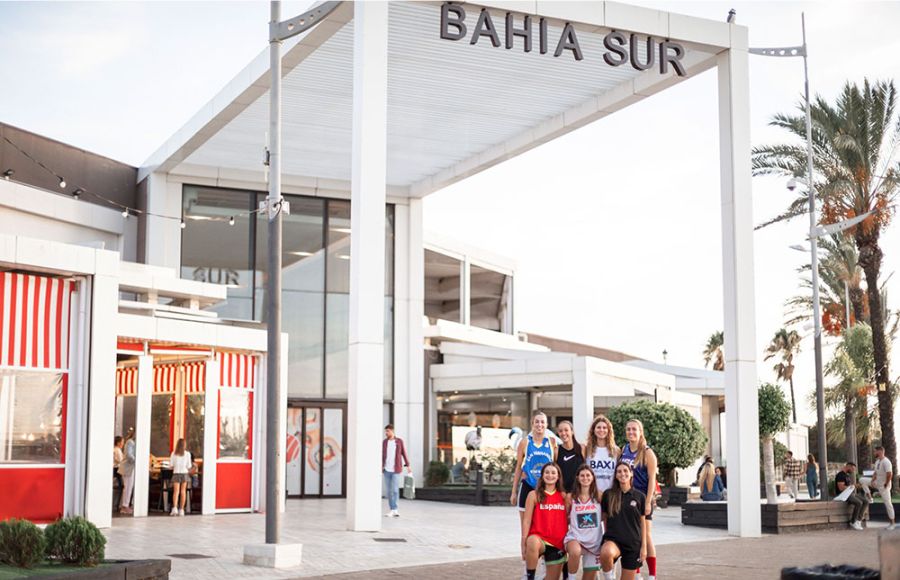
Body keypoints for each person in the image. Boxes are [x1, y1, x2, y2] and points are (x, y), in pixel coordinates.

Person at [619, 419, 658, 580]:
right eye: (628, 429)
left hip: (642, 499)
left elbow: (652, 479)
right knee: (632, 536)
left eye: (634, 429)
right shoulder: (624, 449)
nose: (631, 432)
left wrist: (648, 501)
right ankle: (636, 572)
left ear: (641, 431)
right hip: (627, 499)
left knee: (646, 536)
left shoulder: (647, 452)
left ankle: (652, 575)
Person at [511, 411, 558, 532]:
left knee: (544, 525)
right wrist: (513, 492)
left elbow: (556, 468)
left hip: (546, 489)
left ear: (546, 425)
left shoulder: (552, 443)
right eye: (537, 421)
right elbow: (518, 468)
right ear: (532, 424)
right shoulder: (525, 442)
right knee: (525, 527)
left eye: (542, 422)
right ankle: (524, 550)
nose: (539, 424)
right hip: (528, 486)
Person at [522, 462, 569, 580]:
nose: (550, 475)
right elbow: (526, 521)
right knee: (532, 541)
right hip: (539, 539)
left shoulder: (564, 497)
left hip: (557, 543)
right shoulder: (533, 495)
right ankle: (530, 577)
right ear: (542, 475)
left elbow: (570, 519)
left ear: (558, 476)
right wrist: (523, 541)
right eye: (547, 472)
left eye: (553, 473)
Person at [600, 462, 646, 580]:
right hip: (614, 541)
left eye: (625, 471)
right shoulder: (608, 495)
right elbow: (604, 518)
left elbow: (643, 523)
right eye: (619, 471)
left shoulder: (640, 496)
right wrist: (607, 537)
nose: (622, 473)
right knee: (606, 552)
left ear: (631, 474)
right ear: (615, 476)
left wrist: (643, 547)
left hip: (633, 544)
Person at [564, 465, 603, 580]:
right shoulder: (570, 497)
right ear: (577, 478)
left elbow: (604, 517)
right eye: (582, 475)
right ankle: (570, 578)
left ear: (592, 478)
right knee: (575, 551)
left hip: (594, 542)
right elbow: (565, 518)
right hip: (575, 538)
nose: (585, 478)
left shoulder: (599, 496)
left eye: (588, 475)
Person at [584, 415, 619, 494]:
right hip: (592, 493)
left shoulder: (616, 450)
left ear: (609, 430)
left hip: (611, 493)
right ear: (593, 430)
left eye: (604, 428)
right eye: (598, 427)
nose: (601, 430)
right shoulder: (587, 449)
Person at [382, 424, 411, 518]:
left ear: (392, 431)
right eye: (385, 431)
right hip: (386, 470)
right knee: (389, 491)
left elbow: (404, 453)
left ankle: (395, 509)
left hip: (396, 469)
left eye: (387, 431)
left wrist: (408, 465)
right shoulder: (384, 442)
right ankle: (392, 509)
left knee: (394, 490)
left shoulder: (399, 441)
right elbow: (382, 455)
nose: (386, 433)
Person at [867, 445, 896, 530]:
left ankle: (892, 523)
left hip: (884, 485)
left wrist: (886, 484)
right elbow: (875, 473)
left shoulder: (886, 462)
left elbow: (889, 474)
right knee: (862, 481)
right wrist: (872, 481)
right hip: (877, 483)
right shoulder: (877, 461)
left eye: (875, 451)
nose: (874, 453)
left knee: (888, 504)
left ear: (880, 451)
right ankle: (870, 497)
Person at [555, 420, 584, 494]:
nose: (563, 433)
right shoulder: (556, 450)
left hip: (579, 492)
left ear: (572, 432)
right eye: (560, 431)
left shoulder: (582, 448)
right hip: (563, 492)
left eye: (566, 430)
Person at [836, 462, 867, 530]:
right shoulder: (840, 475)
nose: (853, 471)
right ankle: (853, 522)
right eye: (852, 469)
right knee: (859, 502)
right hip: (843, 495)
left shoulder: (847, 475)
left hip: (849, 494)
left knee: (866, 501)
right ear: (848, 466)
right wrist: (852, 486)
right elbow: (841, 488)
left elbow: (849, 486)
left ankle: (858, 520)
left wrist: (856, 486)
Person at [169, 438, 193, 516]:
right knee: (183, 492)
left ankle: (174, 509)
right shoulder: (187, 454)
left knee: (176, 492)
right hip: (184, 474)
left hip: (176, 473)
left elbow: (171, 466)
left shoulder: (173, 453)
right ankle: (181, 510)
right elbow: (189, 466)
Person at [119, 429, 136, 514]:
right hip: (128, 468)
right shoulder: (130, 442)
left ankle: (125, 505)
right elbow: (129, 455)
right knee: (128, 487)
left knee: (129, 487)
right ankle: (124, 506)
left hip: (130, 468)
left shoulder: (131, 442)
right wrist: (137, 460)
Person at [113, 436, 125, 504]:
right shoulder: (117, 450)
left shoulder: (115, 449)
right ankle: (121, 504)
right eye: (122, 442)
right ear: (118, 443)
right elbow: (121, 461)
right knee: (124, 486)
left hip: (116, 471)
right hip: (117, 470)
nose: (123, 444)